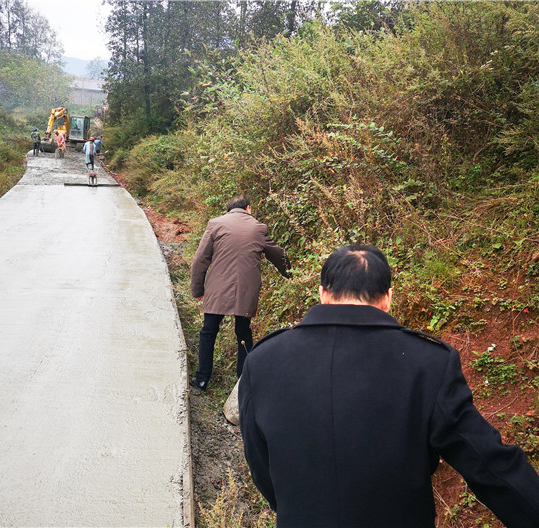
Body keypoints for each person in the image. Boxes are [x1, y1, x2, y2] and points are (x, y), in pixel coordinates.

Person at [239, 244, 539, 527]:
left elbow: (261, 466)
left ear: (322, 294)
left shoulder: (263, 361)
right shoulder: (428, 363)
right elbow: (489, 464)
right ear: (387, 298)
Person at [189, 194, 290, 391]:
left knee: (208, 331)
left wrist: (198, 289)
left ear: (229, 210)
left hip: (217, 288)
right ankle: (243, 381)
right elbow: (277, 254)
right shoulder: (258, 227)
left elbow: (200, 259)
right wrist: (292, 274)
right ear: (248, 208)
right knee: (243, 332)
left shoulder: (215, 224)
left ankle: (201, 379)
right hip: (246, 290)